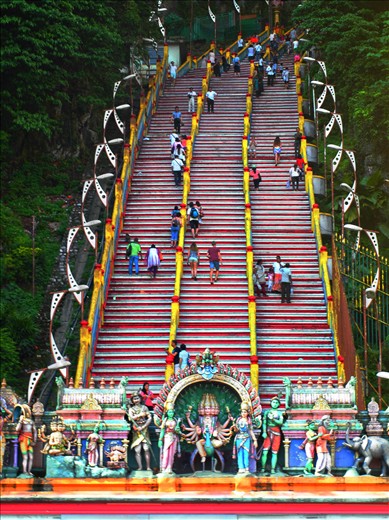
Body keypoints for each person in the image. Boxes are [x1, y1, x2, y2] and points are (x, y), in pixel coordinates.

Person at [127, 393, 152, 471]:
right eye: (134, 399)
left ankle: (148, 467)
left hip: (144, 429)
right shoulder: (131, 409)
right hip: (136, 429)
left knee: (146, 448)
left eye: (137, 398)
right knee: (137, 449)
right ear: (132, 400)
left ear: (140, 399)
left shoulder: (144, 408)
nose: (136, 400)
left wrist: (144, 426)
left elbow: (149, 418)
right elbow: (130, 419)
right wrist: (140, 415)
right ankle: (140, 467)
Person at [232, 401, 258, 474]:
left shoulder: (249, 421)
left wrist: (255, 440)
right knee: (240, 454)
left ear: (247, 413)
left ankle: (246, 468)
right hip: (239, 438)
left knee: (246, 454)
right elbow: (236, 430)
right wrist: (234, 427)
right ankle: (241, 468)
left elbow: (251, 430)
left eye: (245, 412)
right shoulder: (238, 420)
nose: (243, 414)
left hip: (246, 438)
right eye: (242, 412)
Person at [260, 397, 284, 473]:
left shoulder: (280, 413)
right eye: (273, 402)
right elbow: (264, 423)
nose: (275, 404)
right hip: (268, 432)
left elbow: (280, 423)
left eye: (277, 403)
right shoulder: (267, 412)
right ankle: (263, 468)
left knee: (274, 452)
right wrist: (264, 432)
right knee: (265, 451)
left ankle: (273, 469)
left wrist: (273, 419)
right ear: (270, 403)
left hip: (277, 432)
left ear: (279, 404)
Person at [158, 405, 181, 474]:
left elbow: (178, 430)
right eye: (169, 412)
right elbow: (162, 430)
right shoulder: (165, 420)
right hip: (167, 437)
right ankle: (163, 467)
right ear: (167, 413)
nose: (171, 414)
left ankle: (169, 467)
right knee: (165, 453)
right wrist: (160, 439)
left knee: (172, 453)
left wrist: (177, 428)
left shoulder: (176, 420)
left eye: (172, 412)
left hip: (173, 437)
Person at [16, 404, 37, 476]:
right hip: (23, 439)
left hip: (30, 440)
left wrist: (34, 441)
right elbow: (17, 429)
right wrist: (20, 421)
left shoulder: (31, 422)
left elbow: (35, 432)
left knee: (31, 457)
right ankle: (24, 471)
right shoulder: (22, 420)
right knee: (25, 457)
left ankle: (29, 471)